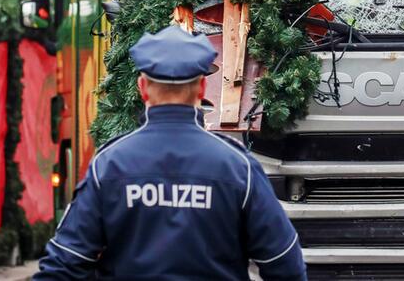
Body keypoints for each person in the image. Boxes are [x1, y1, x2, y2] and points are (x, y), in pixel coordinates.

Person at [35, 26, 307, 280]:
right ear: (202, 88)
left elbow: (64, 263)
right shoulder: (238, 167)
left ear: (142, 88)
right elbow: (284, 263)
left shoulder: (109, 165)